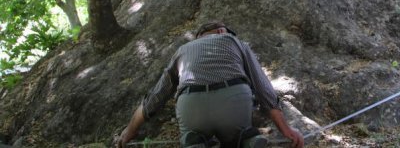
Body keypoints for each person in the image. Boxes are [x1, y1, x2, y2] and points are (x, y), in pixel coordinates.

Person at [115, 22, 304, 148]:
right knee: (238, 132)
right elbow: (263, 88)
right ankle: (245, 138)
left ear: (198, 38)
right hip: (233, 103)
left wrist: (128, 132)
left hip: (192, 107)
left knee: (193, 132)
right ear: (222, 31)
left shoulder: (183, 50)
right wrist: (286, 130)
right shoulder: (234, 41)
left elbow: (156, 96)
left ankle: (194, 139)